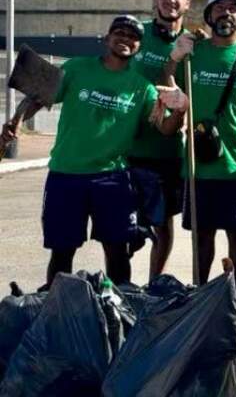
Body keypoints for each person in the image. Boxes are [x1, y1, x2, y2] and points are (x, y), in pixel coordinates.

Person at [1, 15, 188, 286]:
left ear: (138, 47)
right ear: (107, 39)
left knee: (118, 253)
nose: (125, 39)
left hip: (113, 179)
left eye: (133, 37)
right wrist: (17, 120)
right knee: (62, 253)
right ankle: (59, 305)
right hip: (66, 175)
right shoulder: (77, 68)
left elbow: (165, 128)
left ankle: (118, 305)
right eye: (119, 33)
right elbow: (38, 97)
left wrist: (181, 109)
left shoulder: (142, 88)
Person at [165, 0, 236, 302]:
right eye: (219, 8)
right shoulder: (194, 51)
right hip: (199, 166)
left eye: (233, 8)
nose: (226, 13)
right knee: (202, 238)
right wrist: (174, 57)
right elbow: (167, 82)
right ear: (209, 15)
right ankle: (200, 299)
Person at [128, 0, 191, 279]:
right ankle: (122, 284)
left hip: (168, 149)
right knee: (124, 226)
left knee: (163, 223)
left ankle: (155, 283)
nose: (170, 0)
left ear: (187, 3)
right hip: (129, 145)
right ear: (156, 0)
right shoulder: (137, 33)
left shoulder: (192, 42)